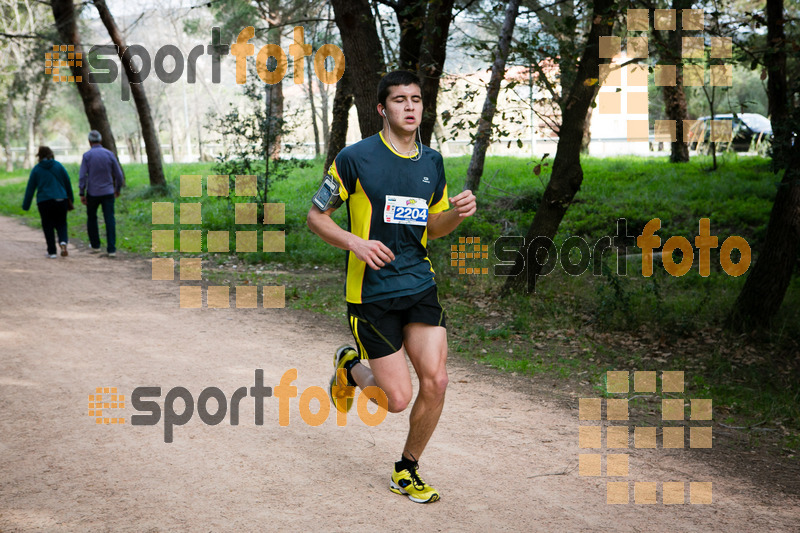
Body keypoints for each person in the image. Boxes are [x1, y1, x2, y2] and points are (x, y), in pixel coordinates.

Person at [307, 70, 476, 504]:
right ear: (382, 108)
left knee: (436, 381)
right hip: (371, 293)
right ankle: (349, 369)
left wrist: (456, 213)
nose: (410, 107)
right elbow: (316, 216)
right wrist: (355, 243)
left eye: (416, 99)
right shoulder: (355, 158)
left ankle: (407, 469)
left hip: (419, 283)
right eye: (400, 100)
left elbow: (433, 226)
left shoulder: (432, 162)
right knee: (397, 400)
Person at [22, 146, 74, 258]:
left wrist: (26, 205)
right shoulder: (58, 166)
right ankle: (63, 242)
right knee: (61, 223)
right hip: (61, 199)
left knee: (47, 225)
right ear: (51, 154)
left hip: (44, 201)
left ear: (39, 157)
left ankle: (52, 252)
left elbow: (30, 188)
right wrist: (71, 198)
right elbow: (67, 182)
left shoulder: (37, 169)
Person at [79, 130, 124, 257]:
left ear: (89, 141)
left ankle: (95, 246)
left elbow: (82, 176)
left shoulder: (87, 156)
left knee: (92, 218)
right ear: (101, 140)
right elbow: (119, 175)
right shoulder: (109, 154)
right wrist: (117, 189)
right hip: (108, 192)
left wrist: (82, 192)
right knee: (109, 219)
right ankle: (111, 249)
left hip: (93, 193)